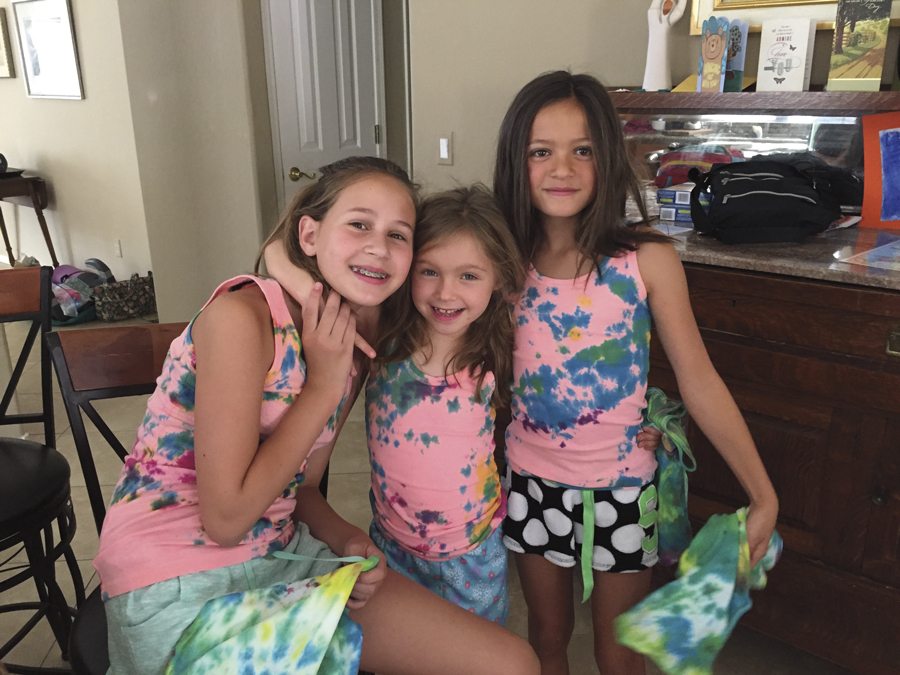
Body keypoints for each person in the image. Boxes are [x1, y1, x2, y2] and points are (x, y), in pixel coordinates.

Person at [93, 156, 539, 675]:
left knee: (512, 663)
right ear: (309, 234)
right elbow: (226, 521)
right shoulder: (241, 319)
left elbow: (302, 489)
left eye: (399, 235)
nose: (378, 245)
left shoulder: (352, 334)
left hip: (281, 554)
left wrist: (347, 537)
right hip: (174, 581)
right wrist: (324, 384)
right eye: (359, 224)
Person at [492, 71, 779, 675]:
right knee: (546, 637)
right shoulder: (499, 259)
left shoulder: (647, 259)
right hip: (529, 482)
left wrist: (763, 493)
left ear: (608, 159)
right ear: (516, 161)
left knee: (619, 655)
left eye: (583, 150)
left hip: (621, 490)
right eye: (541, 151)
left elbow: (699, 379)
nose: (561, 168)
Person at [365, 186, 524, 624]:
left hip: (470, 552)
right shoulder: (381, 335)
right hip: (391, 544)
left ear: (498, 279)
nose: (445, 293)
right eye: (429, 271)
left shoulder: (499, 347)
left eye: (469, 276)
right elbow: (292, 262)